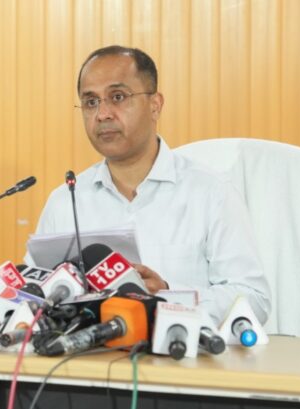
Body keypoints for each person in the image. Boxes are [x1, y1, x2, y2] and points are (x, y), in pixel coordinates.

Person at [32, 45, 270, 324]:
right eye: (91, 102)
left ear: (155, 105)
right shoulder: (65, 201)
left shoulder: (210, 192)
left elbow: (254, 300)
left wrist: (167, 295)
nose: (103, 114)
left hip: (182, 350)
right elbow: (34, 297)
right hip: (87, 350)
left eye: (117, 97)